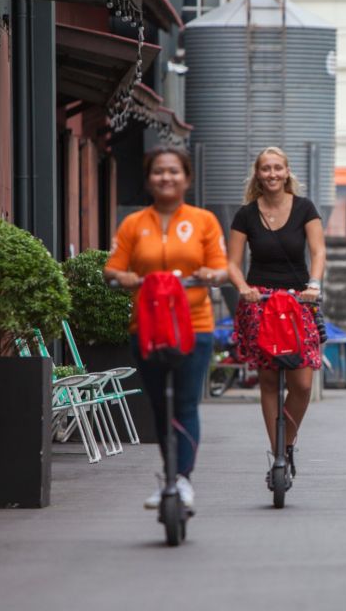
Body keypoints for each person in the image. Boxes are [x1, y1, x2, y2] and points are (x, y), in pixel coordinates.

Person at [104, 146, 229, 510]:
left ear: (186, 178)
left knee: (186, 402)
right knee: (160, 406)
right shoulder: (133, 224)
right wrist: (123, 277)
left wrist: (210, 274)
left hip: (195, 326)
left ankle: (184, 480)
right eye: (159, 172)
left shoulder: (204, 221)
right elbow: (112, 267)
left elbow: (221, 268)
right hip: (147, 326)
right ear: (148, 179)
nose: (166, 178)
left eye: (174, 171)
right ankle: (168, 476)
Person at [227, 146, 326, 484]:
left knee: (301, 382)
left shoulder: (304, 208)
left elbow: (318, 250)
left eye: (277, 168)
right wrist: (242, 287)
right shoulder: (245, 215)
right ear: (258, 174)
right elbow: (232, 261)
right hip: (260, 303)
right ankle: (278, 459)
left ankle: (286, 445)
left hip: (299, 302)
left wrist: (314, 284)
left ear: (287, 172)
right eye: (265, 169)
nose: (271, 174)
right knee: (269, 382)